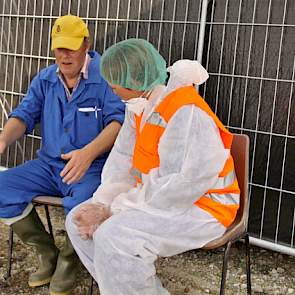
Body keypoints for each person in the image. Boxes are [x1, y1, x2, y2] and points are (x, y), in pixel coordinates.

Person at [66, 38, 240, 295]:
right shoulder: (139, 106)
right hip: (161, 199)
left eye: (114, 82)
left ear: (132, 80)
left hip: (205, 207)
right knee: (76, 221)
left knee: (115, 236)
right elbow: (123, 162)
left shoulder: (184, 110)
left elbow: (181, 185)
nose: (110, 87)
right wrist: (102, 203)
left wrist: (115, 210)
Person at [0, 15, 125, 295]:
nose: (64, 55)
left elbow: (119, 123)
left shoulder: (106, 76)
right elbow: (24, 114)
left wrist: (87, 153)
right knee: (1, 187)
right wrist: (3, 138)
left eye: (71, 47)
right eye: (59, 48)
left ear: (86, 45)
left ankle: (70, 260)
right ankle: (48, 253)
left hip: (92, 167)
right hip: (48, 165)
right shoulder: (46, 78)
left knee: (82, 205)